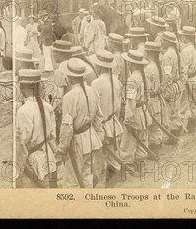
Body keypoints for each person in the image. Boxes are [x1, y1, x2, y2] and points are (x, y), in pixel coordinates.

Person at [57, 58, 103, 188]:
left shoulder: (69, 97)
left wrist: (62, 147)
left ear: (70, 77)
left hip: (77, 142)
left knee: (72, 180)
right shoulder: (92, 90)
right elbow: (99, 116)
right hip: (91, 137)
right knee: (87, 174)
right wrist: (99, 134)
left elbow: (67, 126)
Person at [15, 69, 58, 188]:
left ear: (22, 87)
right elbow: (52, 136)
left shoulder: (23, 111)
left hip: (34, 161)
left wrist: (18, 168)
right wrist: (54, 154)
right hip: (49, 157)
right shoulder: (48, 106)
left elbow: (22, 143)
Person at [90, 50, 123, 184]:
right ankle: (111, 183)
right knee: (112, 156)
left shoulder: (96, 83)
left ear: (101, 66)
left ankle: (100, 185)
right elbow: (119, 105)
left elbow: (95, 109)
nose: (96, 67)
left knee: (98, 158)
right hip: (114, 123)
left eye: (97, 65)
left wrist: (97, 128)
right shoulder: (116, 81)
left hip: (102, 125)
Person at [119, 50, 149, 175]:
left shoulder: (132, 79)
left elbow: (130, 101)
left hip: (135, 113)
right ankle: (140, 166)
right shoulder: (143, 76)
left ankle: (130, 167)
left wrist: (128, 118)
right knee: (142, 140)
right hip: (143, 112)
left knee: (128, 142)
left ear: (132, 64)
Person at [177, 26, 196, 133]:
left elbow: (185, 68)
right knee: (194, 104)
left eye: (183, 35)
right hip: (195, 81)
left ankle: (178, 128)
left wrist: (182, 82)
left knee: (183, 105)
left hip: (189, 81)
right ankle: (194, 123)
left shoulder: (187, 50)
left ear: (186, 37)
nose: (182, 37)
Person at [160, 31, 183, 143]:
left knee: (170, 112)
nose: (162, 42)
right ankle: (176, 131)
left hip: (172, 86)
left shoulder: (167, 55)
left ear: (167, 42)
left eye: (163, 40)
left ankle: (173, 136)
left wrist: (167, 90)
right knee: (176, 111)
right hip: (177, 84)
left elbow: (167, 75)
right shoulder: (175, 52)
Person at [143, 41, 163, 157]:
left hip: (151, 100)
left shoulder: (148, 69)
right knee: (156, 126)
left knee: (152, 127)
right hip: (156, 100)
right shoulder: (156, 66)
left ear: (149, 53)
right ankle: (156, 149)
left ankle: (153, 152)